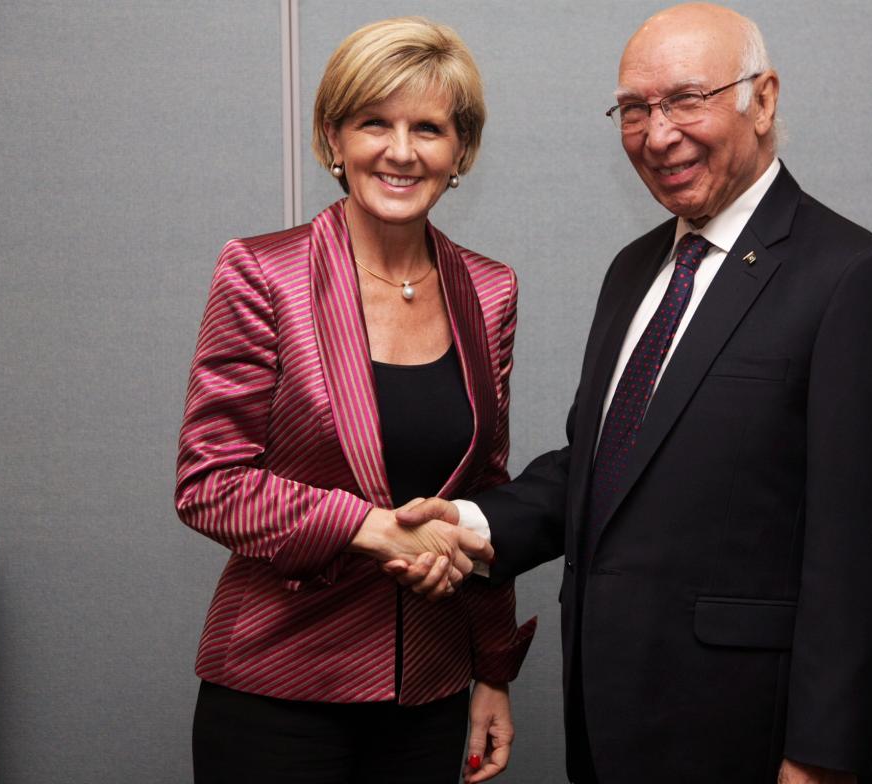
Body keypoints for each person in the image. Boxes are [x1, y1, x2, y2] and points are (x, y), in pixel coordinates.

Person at [393, 4, 872, 783]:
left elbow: (863, 558)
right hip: (612, 720)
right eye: (636, 109)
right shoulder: (635, 269)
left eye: (686, 99)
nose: (657, 133)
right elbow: (607, 466)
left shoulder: (853, 279)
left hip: (749, 735)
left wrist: (822, 761)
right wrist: (471, 522)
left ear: (764, 98)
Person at [175, 17, 534, 784]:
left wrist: (493, 669)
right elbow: (210, 486)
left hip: (428, 698)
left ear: (459, 152)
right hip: (278, 690)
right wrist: (374, 530)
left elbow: (484, 493)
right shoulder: (262, 274)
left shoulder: (490, 290)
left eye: (429, 128)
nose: (401, 151)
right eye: (376, 122)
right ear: (333, 139)